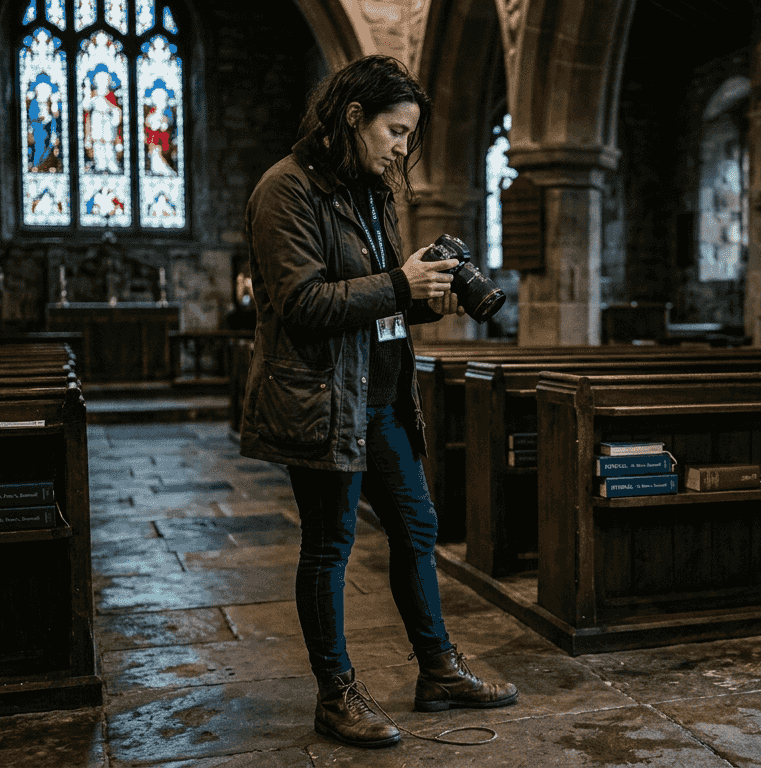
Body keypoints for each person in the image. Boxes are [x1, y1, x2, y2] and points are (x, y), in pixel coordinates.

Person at [239, 55, 518, 750]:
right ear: (353, 116)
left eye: (409, 135)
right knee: (329, 547)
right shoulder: (286, 190)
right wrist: (400, 282)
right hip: (322, 399)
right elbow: (302, 306)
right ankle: (336, 696)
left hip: (385, 399)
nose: (402, 148)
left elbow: (375, 305)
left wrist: (423, 296)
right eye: (395, 131)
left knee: (418, 530)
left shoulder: (372, 191)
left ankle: (438, 670)